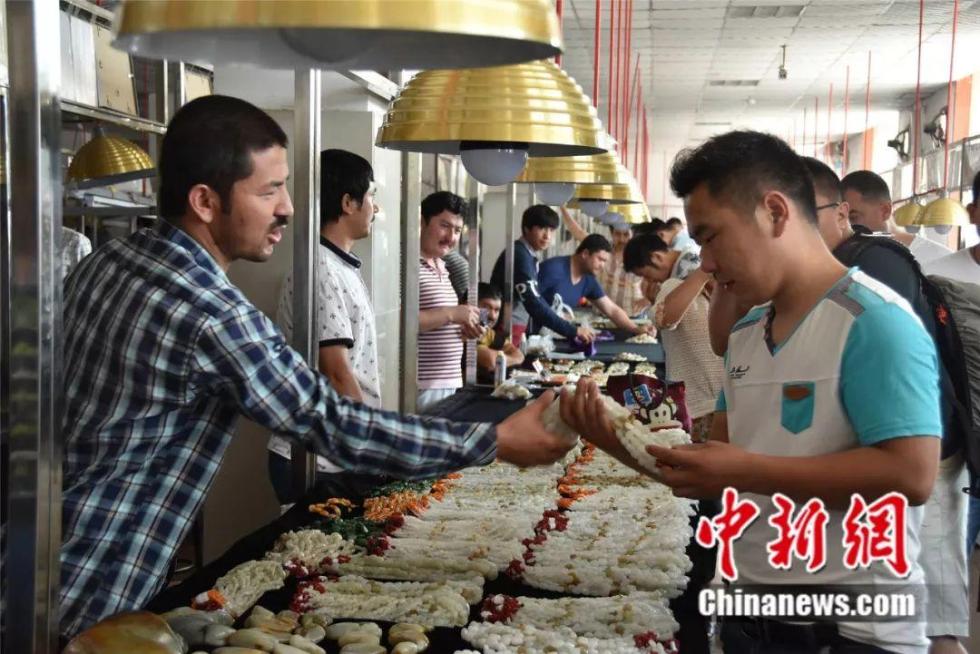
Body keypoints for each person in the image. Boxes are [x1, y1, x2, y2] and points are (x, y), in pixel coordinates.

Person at [55, 95, 576, 637]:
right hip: (94, 585)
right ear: (205, 201)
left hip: (41, 555)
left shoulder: (107, 261)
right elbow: (330, 417)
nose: (287, 208)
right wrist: (493, 441)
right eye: (269, 191)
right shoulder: (211, 314)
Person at [569, 131, 942, 654]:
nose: (706, 263)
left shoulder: (872, 322)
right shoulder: (745, 334)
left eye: (711, 238)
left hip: (853, 632)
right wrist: (614, 437)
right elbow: (716, 466)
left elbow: (910, 475)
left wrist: (746, 470)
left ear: (774, 212)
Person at [269, 148, 381, 504]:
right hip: (316, 458)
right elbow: (336, 372)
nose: (375, 208)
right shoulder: (322, 269)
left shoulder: (339, 265)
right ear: (348, 203)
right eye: (371, 196)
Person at [622, 233, 724, 441]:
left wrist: (703, 271)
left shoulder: (686, 275)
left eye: (647, 275)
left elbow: (665, 318)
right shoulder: (684, 280)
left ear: (657, 258)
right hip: (715, 400)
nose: (650, 281)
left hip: (706, 404)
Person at [490, 204, 595, 345]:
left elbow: (536, 296)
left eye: (551, 230)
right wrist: (572, 330)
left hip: (515, 325)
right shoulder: (520, 255)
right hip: (505, 327)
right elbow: (533, 301)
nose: (547, 236)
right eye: (541, 228)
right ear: (526, 228)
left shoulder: (527, 254)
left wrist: (560, 320)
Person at [417, 191, 481, 410]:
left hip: (447, 382)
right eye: (444, 226)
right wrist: (452, 314)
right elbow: (398, 322)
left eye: (457, 230)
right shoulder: (406, 264)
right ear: (422, 221)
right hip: (421, 385)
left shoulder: (442, 265)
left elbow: (437, 320)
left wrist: (465, 329)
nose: (451, 237)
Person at [537, 234, 652, 335]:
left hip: (553, 334)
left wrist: (636, 329)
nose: (602, 266)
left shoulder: (588, 280)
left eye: (605, 261)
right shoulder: (553, 269)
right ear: (585, 253)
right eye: (600, 259)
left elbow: (612, 310)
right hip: (532, 334)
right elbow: (531, 301)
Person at [841, 170, 951, 264]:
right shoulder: (851, 259)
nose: (844, 227)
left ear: (885, 211)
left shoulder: (938, 259)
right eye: (840, 218)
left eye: (853, 218)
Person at [560, 207, 650, 315]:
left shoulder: (640, 256)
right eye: (617, 234)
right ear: (612, 234)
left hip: (631, 316)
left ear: (632, 235)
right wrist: (562, 206)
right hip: (601, 316)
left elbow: (659, 279)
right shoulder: (601, 251)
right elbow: (577, 231)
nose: (622, 239)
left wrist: (648, 300)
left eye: (626, 234)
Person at [475, 282, 524, 378]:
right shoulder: (464, 332)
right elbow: (491, 361)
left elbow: (519, 355)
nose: (493, 316)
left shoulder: (488, 333)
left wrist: (500, 360)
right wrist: (501, 359)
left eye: (496, 310)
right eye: (486, 308)